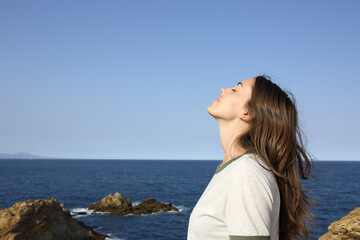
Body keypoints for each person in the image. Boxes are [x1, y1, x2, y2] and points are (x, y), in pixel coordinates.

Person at [187, 75, 313, 240]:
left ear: (248, 112)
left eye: (235, 89)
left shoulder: (246, 173)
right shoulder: (236, 169)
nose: (223, 90)